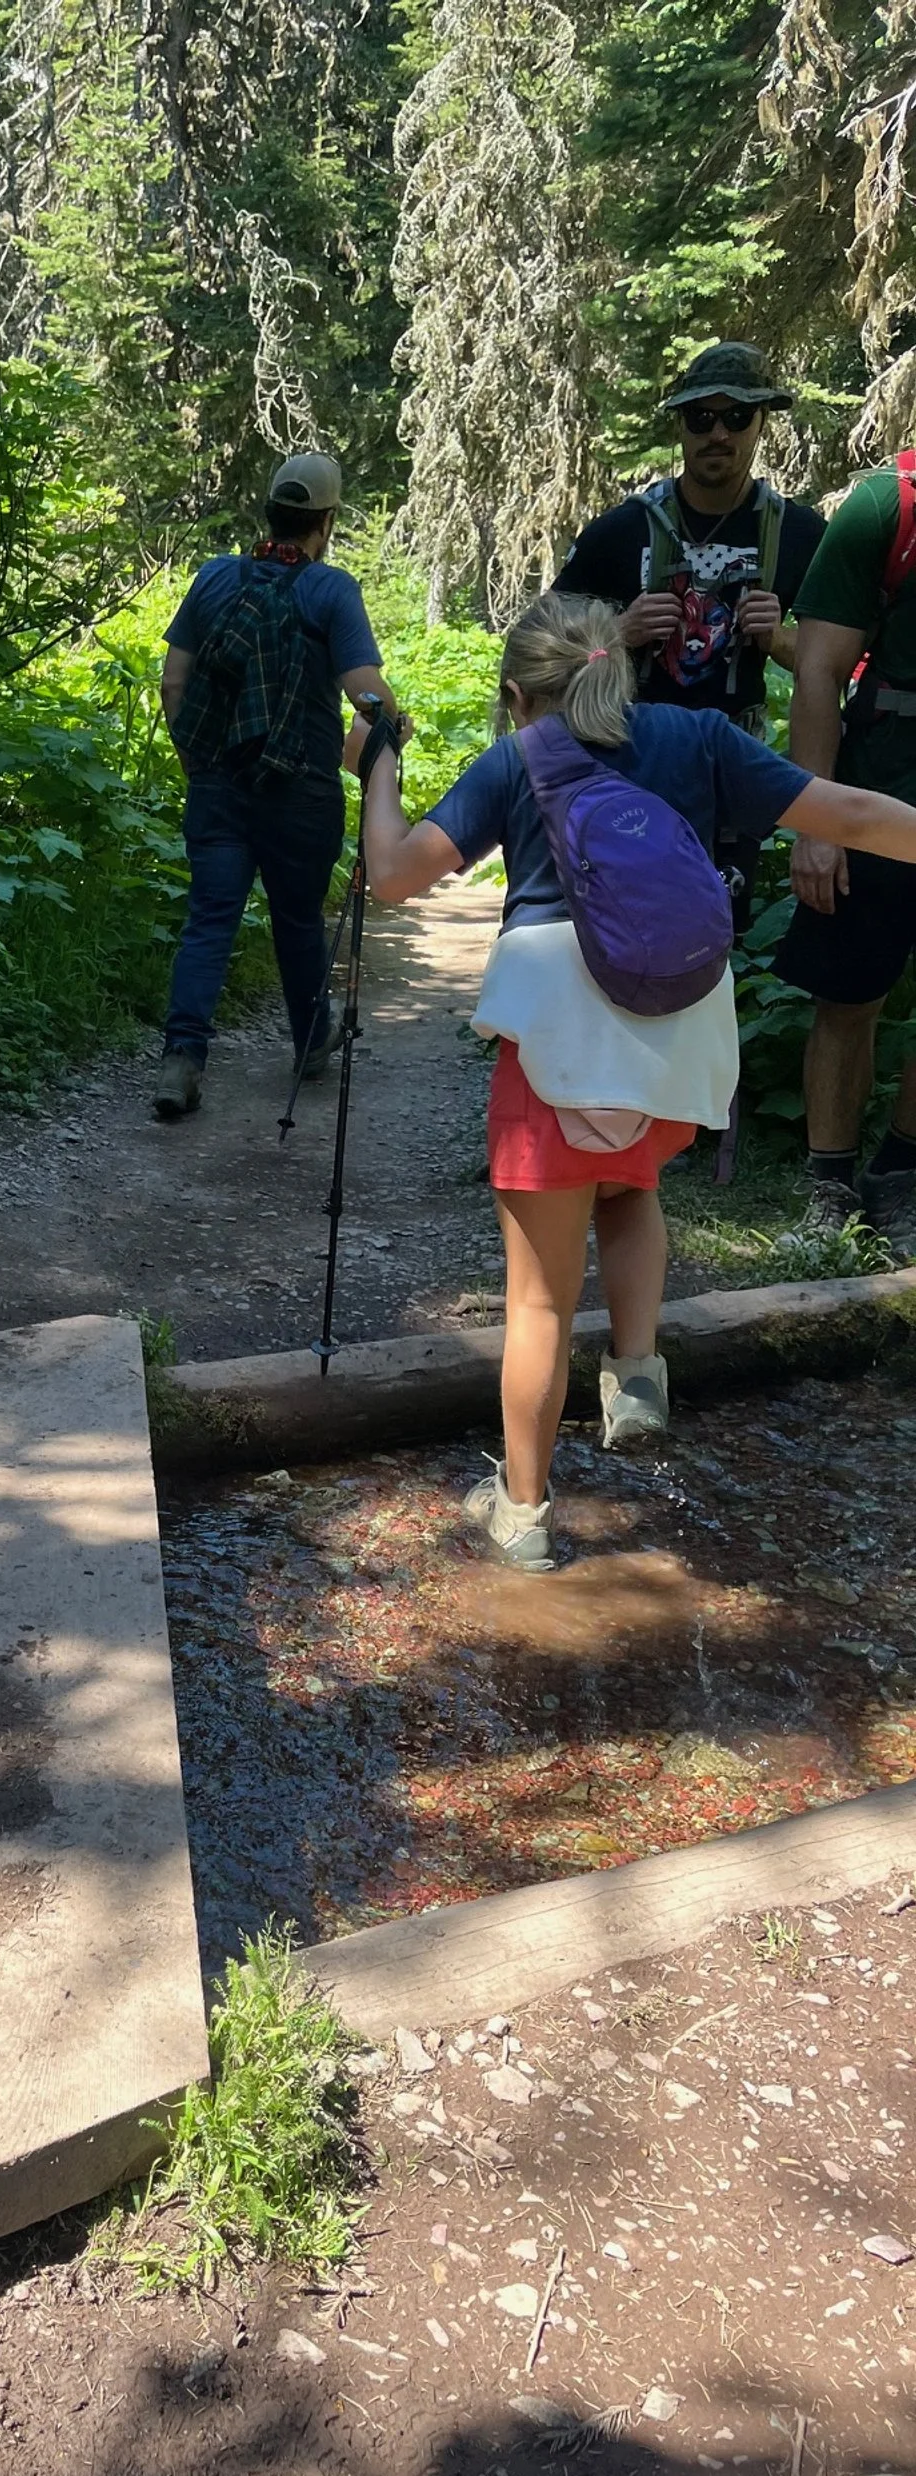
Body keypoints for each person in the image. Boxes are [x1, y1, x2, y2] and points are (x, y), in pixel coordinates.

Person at [347, 591, 916, 1572]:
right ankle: (638, 1372)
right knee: (632, 1185)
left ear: (517, 696)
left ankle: (523, 1515)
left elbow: (393, 876)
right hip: (673, 1042)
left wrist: (378, 768)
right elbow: (856, 813)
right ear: (625, 665)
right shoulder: (698, 739)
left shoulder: (516, 757)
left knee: (536, 1305)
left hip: (556, 1047)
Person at [152, 452, 400, 1122]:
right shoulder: (331, 591)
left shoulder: (212, 580)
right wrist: (392, 729)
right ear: (326, 520)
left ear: (270, 511)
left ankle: (182, 1058)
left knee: (210, 920)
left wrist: (196, 761)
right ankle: (310, 1040)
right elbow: (365, 694)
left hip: (218, 786)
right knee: (296, 920)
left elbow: (174, 681)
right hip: (301, 792)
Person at [554, 342, 823, 928]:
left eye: (736, 417)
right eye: (701, 418)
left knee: (711, 944)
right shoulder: (620, 532)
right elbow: (536, 653)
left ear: (761, 422)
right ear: (680, 425)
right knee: (611, 938)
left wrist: (778, 641)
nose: (717, 434)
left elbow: (844, 668)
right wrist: (616, 632)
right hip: (623, 770)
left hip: (732, 784)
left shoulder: (800, 535)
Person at [777, 455, 916, 1250]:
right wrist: (817, 821)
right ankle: (828, 1184)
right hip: (877, 792)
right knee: (849, 997)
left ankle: (900, 1173)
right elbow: (820, 670)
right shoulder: (883, 507)